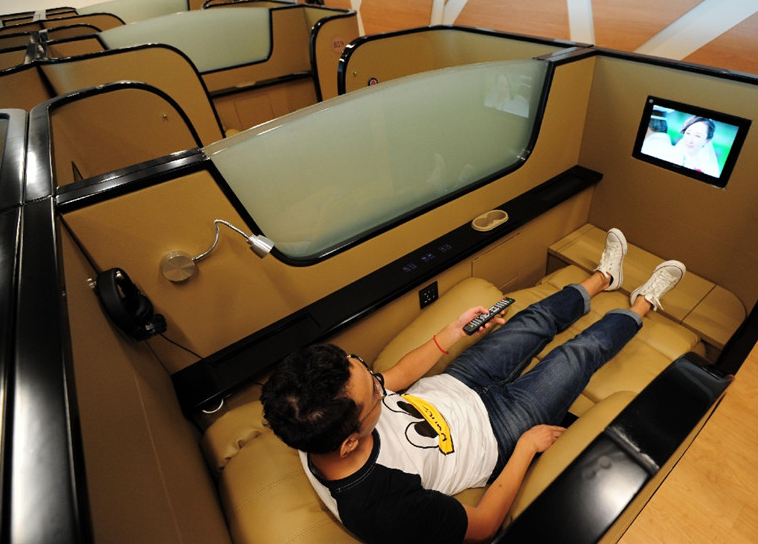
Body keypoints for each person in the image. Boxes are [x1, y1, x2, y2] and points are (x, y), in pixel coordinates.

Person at [261, 229, 685, 543]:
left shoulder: (309, 409)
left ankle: (604, 278)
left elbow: (396, 377)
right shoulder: (382, 508)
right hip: (497, 432)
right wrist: (525, 448)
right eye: (374, 393)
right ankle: (643, 303)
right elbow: (482, 527)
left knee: (534, 319)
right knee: (579, 354)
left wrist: (451, 333)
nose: (379, 385)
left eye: (367, 373)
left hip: (457, 382)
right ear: (350, 442)